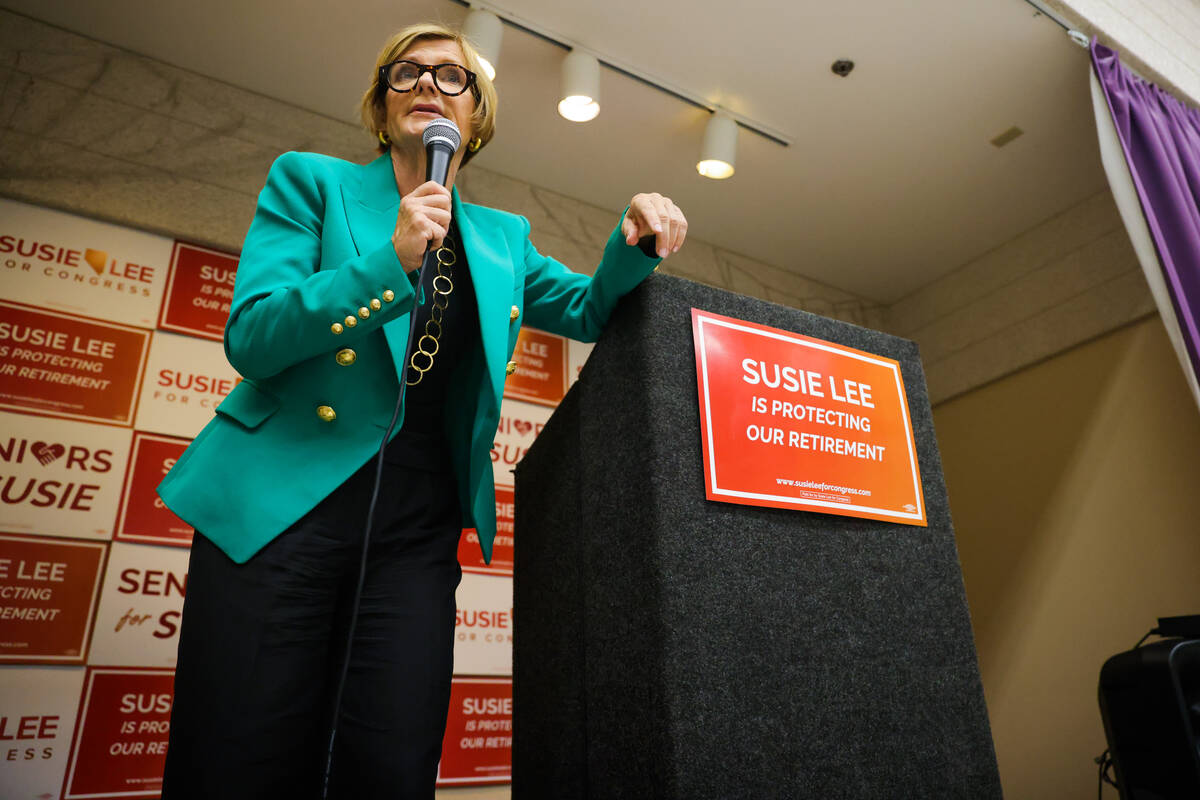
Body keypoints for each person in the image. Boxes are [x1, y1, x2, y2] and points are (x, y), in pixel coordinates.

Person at [156, 20, 687, 800]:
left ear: (476, 118)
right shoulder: (311, 182)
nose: (429, 87)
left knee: (392, 758)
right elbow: (253, 336)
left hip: (415, 527)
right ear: (382, 105)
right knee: (243, 751)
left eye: (452, 78)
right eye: (407, 74)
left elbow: (589, 309)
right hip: (283, 505)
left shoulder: (504, 237)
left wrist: (633, 244)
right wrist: (387, 260)